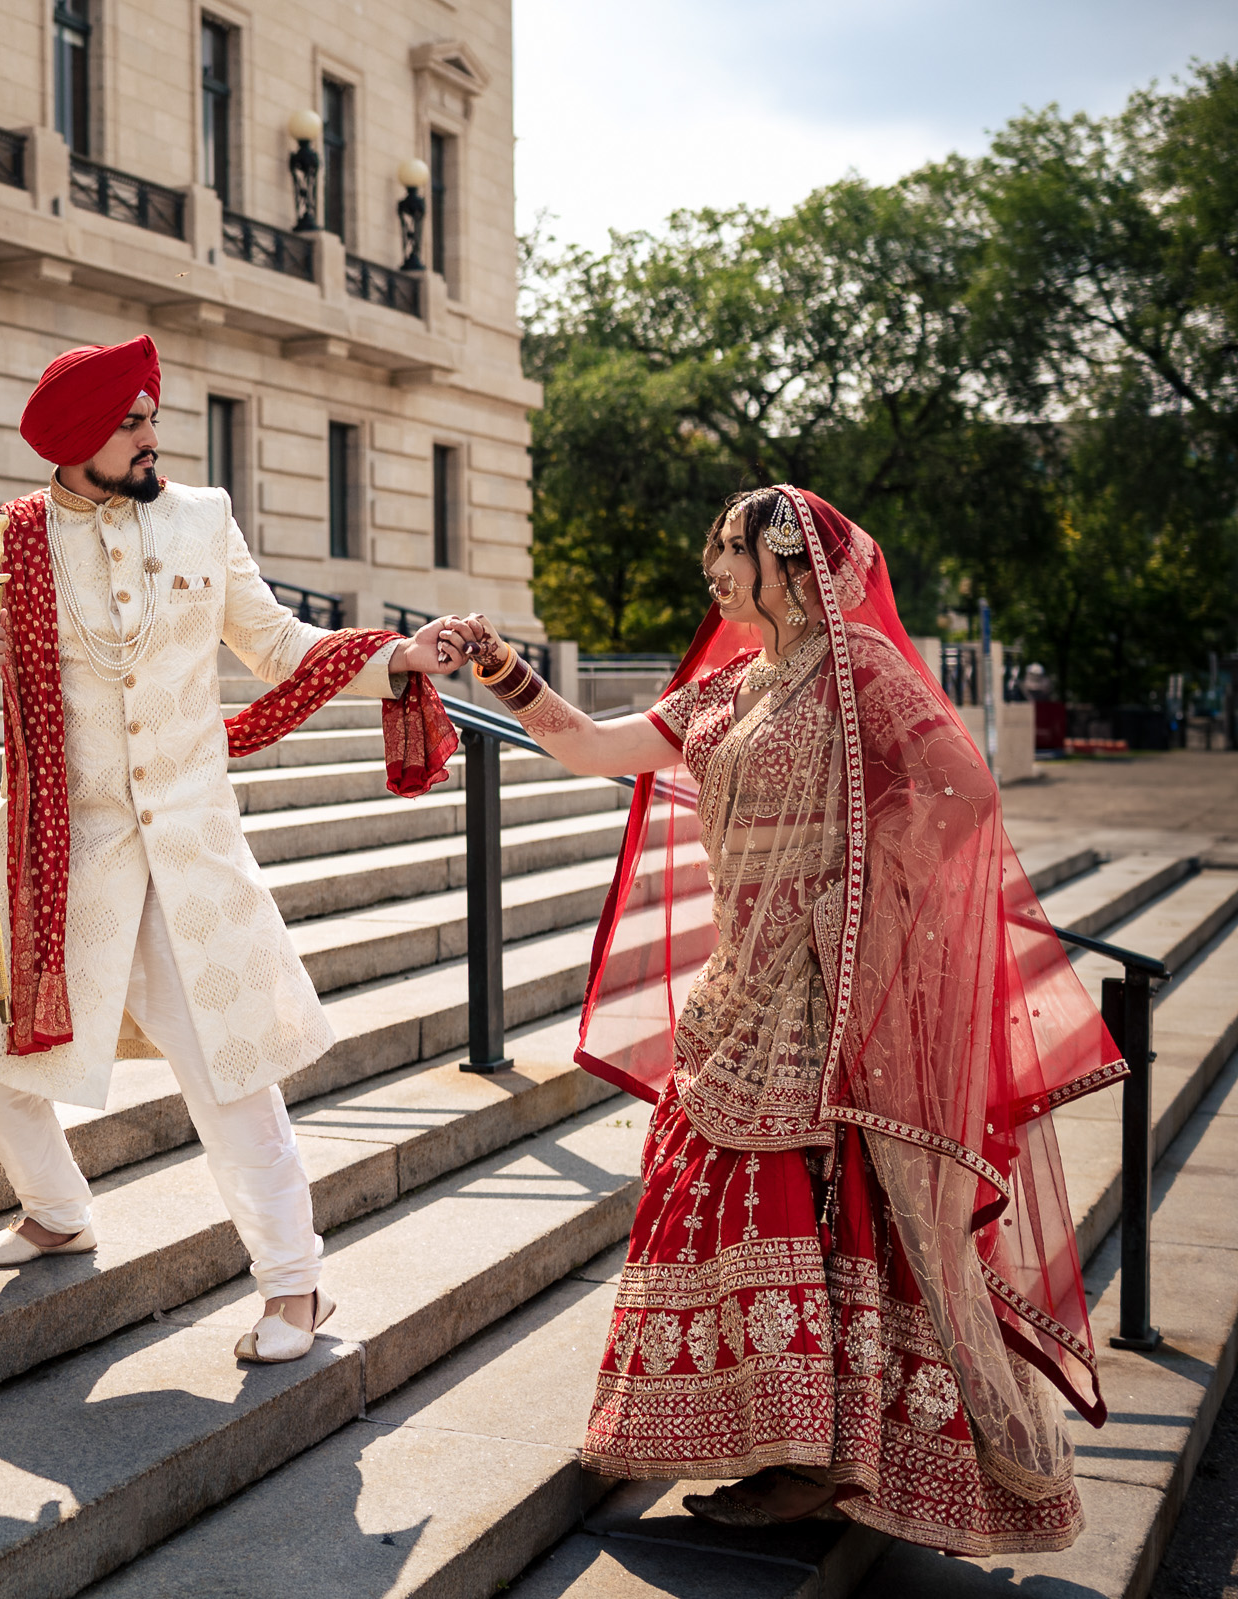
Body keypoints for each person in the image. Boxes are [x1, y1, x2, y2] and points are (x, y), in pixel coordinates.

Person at [420, 485, 1123, 1554]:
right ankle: (775, 1435)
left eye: (730, 549)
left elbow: (963, 792)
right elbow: (595, 749)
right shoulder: (727, 689)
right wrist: (505, 671)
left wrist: (861, 905)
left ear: (790, 567)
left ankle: (814, 1457)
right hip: (738, 986)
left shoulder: (865, 678)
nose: (713, 565)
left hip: (820, 995)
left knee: (810, 1198)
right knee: (708, 1190)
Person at [0, 335, 459, 1364]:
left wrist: (397, 658)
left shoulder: (203, 519)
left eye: (154, 417)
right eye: (134, 424)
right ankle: (56, 1213)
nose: (155, 437)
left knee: (229, 1073)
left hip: (190, 853)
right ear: (79, 441)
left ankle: (295, 1289)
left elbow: (281, 647)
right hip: (55, 850)